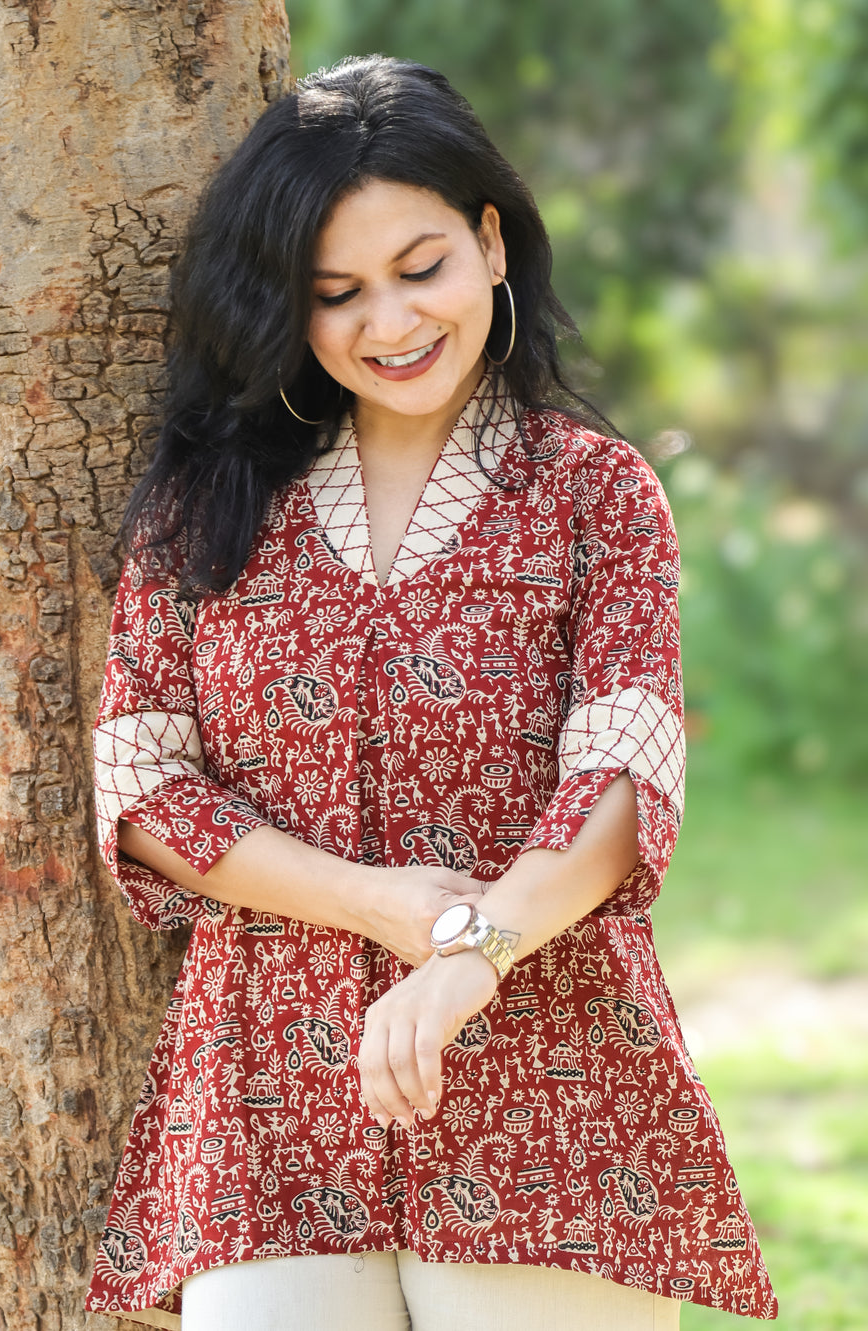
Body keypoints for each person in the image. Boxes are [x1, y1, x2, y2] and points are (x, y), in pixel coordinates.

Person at [85, 55, 776, 1331]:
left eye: (421, 267)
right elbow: (142, 789)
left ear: (492, 243)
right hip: (264, 1091)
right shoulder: (205, 504)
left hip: (550, 1069)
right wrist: (375, 901)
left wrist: (472, 953)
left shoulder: (593, 492)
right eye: (335, 293)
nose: (390, 322)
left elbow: (623, 773)